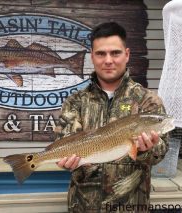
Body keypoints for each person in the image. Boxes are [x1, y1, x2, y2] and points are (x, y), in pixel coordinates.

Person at [55, 22, 168, 213]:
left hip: (132, 206)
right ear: (92, 56)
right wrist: (68, 162)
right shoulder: (75, 102)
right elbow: (65, 143)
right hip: (83, 206)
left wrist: (147, 149)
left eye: (115, 53)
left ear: (127, 54)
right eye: (101, 54)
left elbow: (162, 151)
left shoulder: (147, 100)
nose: (108, 60)